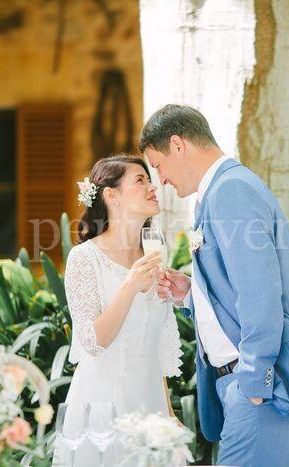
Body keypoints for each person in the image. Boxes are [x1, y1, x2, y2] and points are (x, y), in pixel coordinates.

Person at [143, 104, 289, 467]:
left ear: (177, 144)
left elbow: (260, 296)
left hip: (263, 389)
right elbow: (240, 285)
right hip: (246, 387)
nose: (161, 179)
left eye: (158, 166)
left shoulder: (230, 190)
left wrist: (253, 384)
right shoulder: (219, 191)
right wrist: (191, 293)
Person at [53, 155, 183, 465]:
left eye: (150, 179)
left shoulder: (155, 252)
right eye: (140, 180)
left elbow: (157, 348)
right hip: (102, 410)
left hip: (151, 408)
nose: (152, 187)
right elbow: (92, 341)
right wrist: (130, 285)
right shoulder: (85, 259)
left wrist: (169, 413)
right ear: (112, 195)